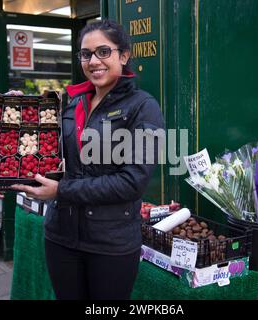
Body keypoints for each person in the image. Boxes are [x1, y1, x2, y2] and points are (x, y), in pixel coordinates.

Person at [12, 19, 165, 300]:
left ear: (124, 55)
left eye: (103, 52)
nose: (94, 61)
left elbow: (132, 182)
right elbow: (45, 148)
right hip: (61, 236)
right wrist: (20, 110)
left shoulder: (143, 107)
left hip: (111, 244)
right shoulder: (74, 102)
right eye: (86, 54)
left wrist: (62, 190)